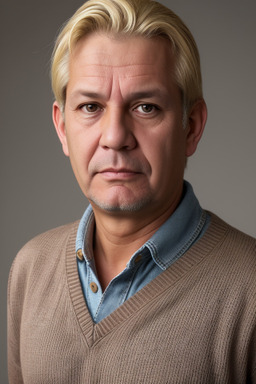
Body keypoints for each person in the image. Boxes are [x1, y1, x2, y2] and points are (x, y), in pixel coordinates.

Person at [7, 0, 256, 382]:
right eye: (91, 106)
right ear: (62, 128)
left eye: (145, 107)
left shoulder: (249, 290)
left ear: (191, 127)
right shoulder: (30, 269)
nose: (115, 137)